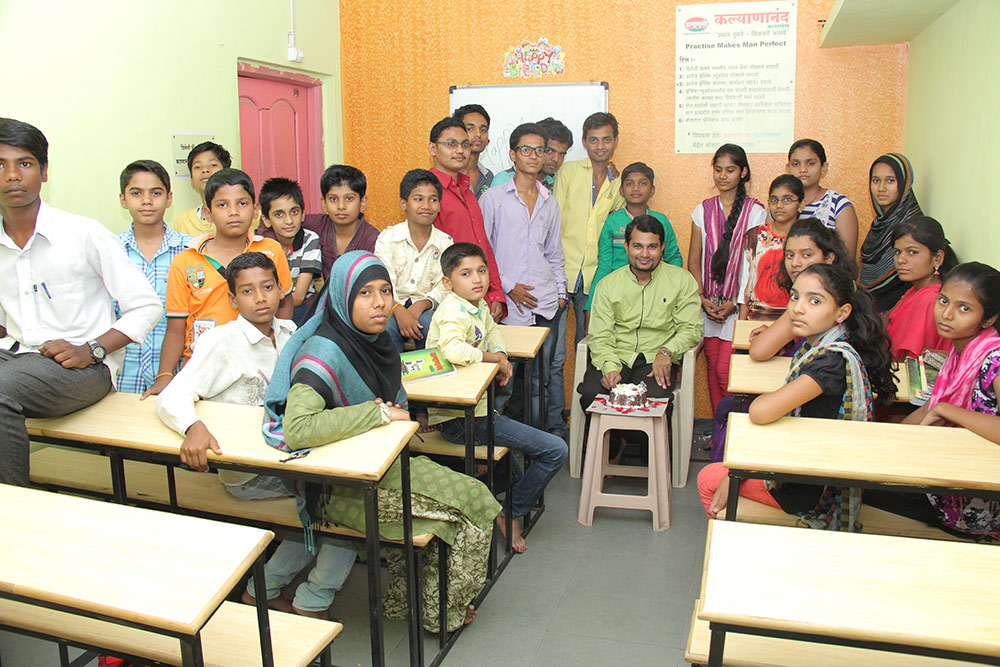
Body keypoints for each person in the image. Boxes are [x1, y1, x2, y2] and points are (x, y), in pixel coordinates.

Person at [261, 250, 501, 632]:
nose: (379, 303)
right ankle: (441, 611)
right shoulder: (323, 350)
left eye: (386, 291)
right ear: (342, 296)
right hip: (340, 486)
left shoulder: (376, 343)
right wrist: (379, 414)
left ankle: (412, 601)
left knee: (465, 505)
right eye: (365, 293)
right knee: (475, 504)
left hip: (378, 467)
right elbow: (299, 429)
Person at [156, 252, 354, 618]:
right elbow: (172, 395)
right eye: (247, 291)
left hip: (290, 458)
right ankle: (313, 599)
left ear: (281, 290)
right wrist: (193, 427)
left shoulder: (291, 333)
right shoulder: (222, 342)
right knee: (343, 505)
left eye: (267, 287)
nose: (260, 298)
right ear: (233, 300)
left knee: (330, 497)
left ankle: (263, 588)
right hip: (250, 473)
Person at [0, 118, 162, 486]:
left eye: (24, 163)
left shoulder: (83, 234)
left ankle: (12, 508)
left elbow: (147, 306)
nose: (12, 175)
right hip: (14, 358)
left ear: (44, 172)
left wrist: (92, 350)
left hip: (81, 369)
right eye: (1, 165)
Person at [698, 264, 897, 530]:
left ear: (842, 313)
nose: (798, 308)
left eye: (815, 301)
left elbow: (760, 412)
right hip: (810, 461)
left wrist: (738, 473)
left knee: (707, 479)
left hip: (812, 485)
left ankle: (745, 541)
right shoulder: (827, 344)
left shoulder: (830, 363)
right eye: (794, 297)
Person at [427, 243, 568, 553]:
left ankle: (495, 507)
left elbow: (493, 332)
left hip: (478, 411)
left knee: (514, 474)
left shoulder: (475, 305)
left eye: (481, 270)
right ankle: (510, 513)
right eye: (466, 274)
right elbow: (452, 349)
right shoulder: (452, 310)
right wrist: (494, 359)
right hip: (460, 418)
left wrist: (501, 355)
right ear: (447, 282)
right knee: (556, 450)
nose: (477, 279)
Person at [708, 218, 855, 462]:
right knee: (729, 407)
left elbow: (760, 351)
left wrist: (782, 328)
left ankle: (727, 475)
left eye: (806, 255)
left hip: (819, 435)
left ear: (829, 258)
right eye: (789, 255)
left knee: (736, 410)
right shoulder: (820, 305)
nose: (795, 263)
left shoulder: (826, 338)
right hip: (812, 404)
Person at [146, 169, 293, 397]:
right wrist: (165, 376)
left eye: (242, 203)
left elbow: (284, 304)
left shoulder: (270, 250)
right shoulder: (186, 261)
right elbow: (175, 329)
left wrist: (281, 356)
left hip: (259, 369)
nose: (233, 212)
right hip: (204, 371)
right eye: (222, 205)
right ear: (208, 212)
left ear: (255, 209)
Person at [892, 262, 1000, 540]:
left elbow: (939, 407)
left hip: (980, 499)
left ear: (988, 319)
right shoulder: (960, 352)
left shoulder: (995, 361)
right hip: (952, 472)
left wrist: (947, 410)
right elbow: (929, 409)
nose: (947, 314)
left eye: (964, 308)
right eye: (943, 301)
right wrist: (888, 445)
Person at [480, 123, 567, 436]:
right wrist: (507, 288)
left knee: (538, 381)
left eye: (539, 150)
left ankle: (533, 442)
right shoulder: (493, 199)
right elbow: (483, 253)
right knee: (503, 380)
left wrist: (561, 295)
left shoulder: (549, 202)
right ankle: (497, 443)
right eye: (526, 149)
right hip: (507, 307)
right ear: (513, 154)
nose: (533, 155)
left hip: (545, 305)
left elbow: (554, 253)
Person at [579, 215, 702, 411]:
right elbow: (600, 334)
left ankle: (645, 434)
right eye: (637, 246)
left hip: (656, 359)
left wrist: (667, 351)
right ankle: (605, 433)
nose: (644, 254)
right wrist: (610, 367)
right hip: (616, 355)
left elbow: (691, 329)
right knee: (592, 394)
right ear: (626, 247)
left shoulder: (681, 281)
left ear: (662, 248)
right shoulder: (608, 285)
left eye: (652, 247)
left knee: (653, 402)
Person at [687, 144, 766, 412]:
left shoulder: (755, 212)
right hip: (709, 304)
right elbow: (694, 259)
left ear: (743, 172)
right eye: (718, 169)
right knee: (712, 369)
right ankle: (720, 428)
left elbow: (754, 265)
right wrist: (701, 297)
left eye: (730, 170)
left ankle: (733, 425)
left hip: (738, 306)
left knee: (726, 372)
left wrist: (734, 303)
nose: (723, 176)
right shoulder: (702, 210)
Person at [116, 159, 191, 393]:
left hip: (180, 376)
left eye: (156, 193)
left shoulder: (190, 251)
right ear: (123, 200)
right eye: (136, 193)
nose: (147, 201)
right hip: (123, 376)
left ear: (169, 198)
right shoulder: (111, 252)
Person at [554, 112, 625, 344]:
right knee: (553, 344)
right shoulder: (568, 172)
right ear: (584, 142)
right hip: (561, 271)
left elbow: (615, 228)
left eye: (606, 139)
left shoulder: (619, 183)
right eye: (593, 140)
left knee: (588, 341)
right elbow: (553, 223)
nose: (600, 146)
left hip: (595, 276)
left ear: (615, 141)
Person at [428, 116, 506, 320]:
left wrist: (494, 292)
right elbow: (432, 256)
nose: (460, 150)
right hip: (449, 301)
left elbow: (483, 244)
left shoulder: (466, 189)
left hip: (477, 296)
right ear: (433, 148)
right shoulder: (427, 193)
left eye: (465, 144)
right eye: (451, 144)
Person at [374, 168, 453, 354]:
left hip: (426, 307)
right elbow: (382, 281)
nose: (426, 205)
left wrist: (422, 304)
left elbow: (445, 286)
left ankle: (429, 371)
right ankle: (394, 372)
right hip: (392, 305)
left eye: (433, 200)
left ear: (439, 206)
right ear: (404, 204)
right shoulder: (388, 238)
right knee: (385, 327)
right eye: (418, 199)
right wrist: (397, 308)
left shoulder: (445, 243)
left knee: (432, 324)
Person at [587, 162, 681, 311]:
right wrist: (591, 304)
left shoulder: (661, 221)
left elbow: (674, 257)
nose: (636, 188)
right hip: (618, 293)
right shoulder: (612, 221)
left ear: (652, 190)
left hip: (655, 293)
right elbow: (604, 265)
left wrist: (672, 288)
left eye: (642, 183)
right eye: (630, 184)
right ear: (621, 190)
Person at [885, 216, 957, 360]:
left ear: (937, 258)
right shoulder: (915, 290)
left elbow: (910, 360)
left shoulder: (930, 299)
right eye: (898, 252)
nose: (901, 260)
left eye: (912, 252)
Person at [860, 153, 923, 313]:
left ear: (904, 183)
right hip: (876, 312)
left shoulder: (914, 228)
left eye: (890, 181)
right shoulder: (880, 224)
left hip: (901, 313)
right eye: (876, 181)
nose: (881, 188)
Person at [738, 174, 805, 321]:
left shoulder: (807, 238)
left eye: (787, 199)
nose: (779, 205)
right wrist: (741, 324)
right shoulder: (754, 236)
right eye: (774, 200)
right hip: (757, 316)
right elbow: (746, 284)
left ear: (801, 204)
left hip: (795, 318)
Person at [257, 177, 323, 324]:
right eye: (279, 214)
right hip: (269, 307)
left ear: (303, 214)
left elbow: (299, 297)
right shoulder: (263, 245)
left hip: (303, 306)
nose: (289, 221)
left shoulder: (309, 240)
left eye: (294, 212)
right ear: (266, 220)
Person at [303, 164, 379, 283]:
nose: (341, 206)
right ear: (324, 203)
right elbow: (283, 225)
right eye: (333, 199)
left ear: (363, 202)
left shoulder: (373, 239)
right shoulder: (315, 225)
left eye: (349, 198)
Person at [787, 138, 859, 256]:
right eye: (796, 164)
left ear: (824, 167)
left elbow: (846, 259)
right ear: (788, 168)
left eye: (810, 163)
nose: (803, 169)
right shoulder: (779, 204)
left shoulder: (839, 205)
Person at [492, 116, 573, 191]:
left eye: (561, 154)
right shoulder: (503, 180)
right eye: (549, 151)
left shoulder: (558, 182)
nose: (556, 159)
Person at [173, 141, 232, 236]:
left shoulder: (243, 214)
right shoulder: (184, 221)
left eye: (213, 165)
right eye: (197, 167)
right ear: (191, 179)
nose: (205, 170)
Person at [453, 104, 494, 198]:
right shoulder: (448, 175)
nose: (478, 134)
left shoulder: (488, 177)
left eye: (483, 130)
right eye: (470, 129)